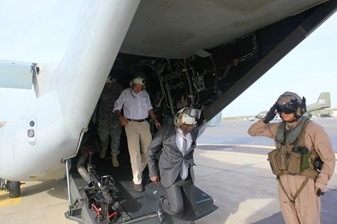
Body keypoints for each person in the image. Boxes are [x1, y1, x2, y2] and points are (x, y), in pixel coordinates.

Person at [247, 91, 335, 224]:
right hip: (283, 184)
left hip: (305, 183)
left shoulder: (313, 129)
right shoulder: (278, 128)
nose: (283, 113)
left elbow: (329, 159)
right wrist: (266, 119)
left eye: (287, 110)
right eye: (281, 110)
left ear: (298, 110)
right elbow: (252, 131)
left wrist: (321, 184)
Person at [147, 107, 201, 224]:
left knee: (192, 208)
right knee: (177, 208)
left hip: (186, 173)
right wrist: (153, 173)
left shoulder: (194, 131)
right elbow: (150, 151)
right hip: (170, 173)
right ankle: (162, 204)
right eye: (187, 125)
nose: (189, 128)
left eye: (192, 125)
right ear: (179, 121)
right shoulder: (165, 131)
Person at [113, 76, 161, 192]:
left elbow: (149, 108)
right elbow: (117, 106)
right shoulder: (125, 92)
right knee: (134, 154)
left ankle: (138, 170)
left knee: (148, 151)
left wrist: (155, 120)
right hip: (131, 125)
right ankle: (137, 180)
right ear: (132, 84)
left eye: (140, 87)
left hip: (144, 124)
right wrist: (120, 117)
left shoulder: (145, 94)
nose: (138, 89)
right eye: (136, 86)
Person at [95, 76, 123, 167]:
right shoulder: (99, 87)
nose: (108, 84)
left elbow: (124, 101)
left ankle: (114, 155)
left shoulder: (119, 88)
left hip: (115, 116)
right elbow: (95, 101)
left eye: (109, 83)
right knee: (103, 134)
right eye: (106, 83)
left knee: (116, 136)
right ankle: (104, 146)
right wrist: (94, 115)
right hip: (103, 115)